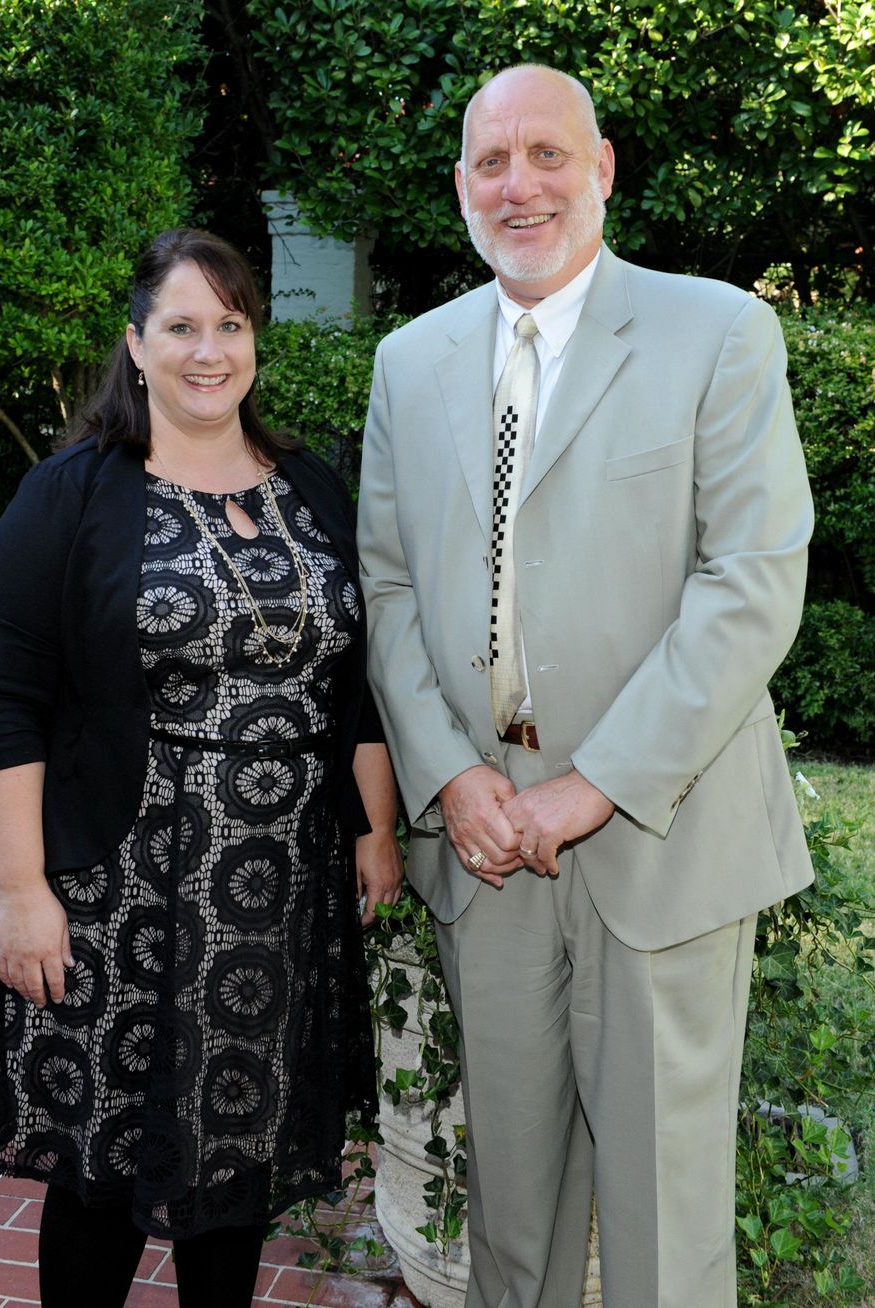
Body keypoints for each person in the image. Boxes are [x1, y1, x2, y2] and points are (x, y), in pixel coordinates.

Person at [357, 64, 814, 1308]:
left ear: (601, 167)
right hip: (485, 847)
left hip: (661, 841)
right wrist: (450, 774)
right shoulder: (409, 361)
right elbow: (386, 590)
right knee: (513, 1218)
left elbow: (753, 580)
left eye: (546, 155)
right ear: (460, 186)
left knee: (667, 1230)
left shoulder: (715, 332)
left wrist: (591, 786)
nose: (520, 186)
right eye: (491, 163)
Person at [0, 227, 403, 1308]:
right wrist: (21, 892)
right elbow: (3, 699)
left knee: (239, 1163)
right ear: (136, 342)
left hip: (272, 894)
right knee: (101, 1172)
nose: (209, 351)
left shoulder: (309, 485)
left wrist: (375, 830)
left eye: (230, 324)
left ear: (253, 337)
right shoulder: (72, 494)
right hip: (117, 893)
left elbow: (360, 679)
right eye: (181, 326)